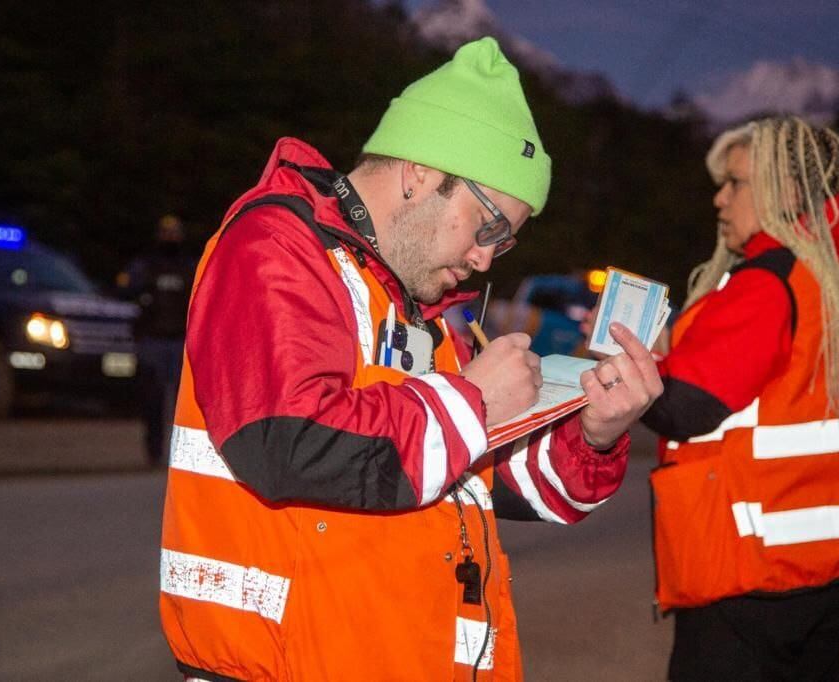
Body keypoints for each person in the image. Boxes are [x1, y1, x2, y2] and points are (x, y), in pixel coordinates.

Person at [158, 37, 662, 681]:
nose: (485, 258)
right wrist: (472, 402)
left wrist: (595, 434)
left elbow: (467, 477)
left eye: (502, 244)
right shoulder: (274, 250)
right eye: (489, 227)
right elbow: (287, 441)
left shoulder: (416, 307)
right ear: (420, 171)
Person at [639, 116, 839, 681]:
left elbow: (686, 407)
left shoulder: (767, 283)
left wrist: (632, 370)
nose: (719, 197)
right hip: (826, 564)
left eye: (735, 182)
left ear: (785, 192)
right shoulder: (838, 280)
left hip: (752, 565)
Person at [119, 214, 197, 465]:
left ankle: (183, 457)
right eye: (166, 232)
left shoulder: (189, 267)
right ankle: (154, 453)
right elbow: (125, 291)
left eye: (174, 232)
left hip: (181, 344)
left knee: (184, 405)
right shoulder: (145, 266)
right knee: (152, 401)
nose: (170, 237)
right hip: (152, 342)